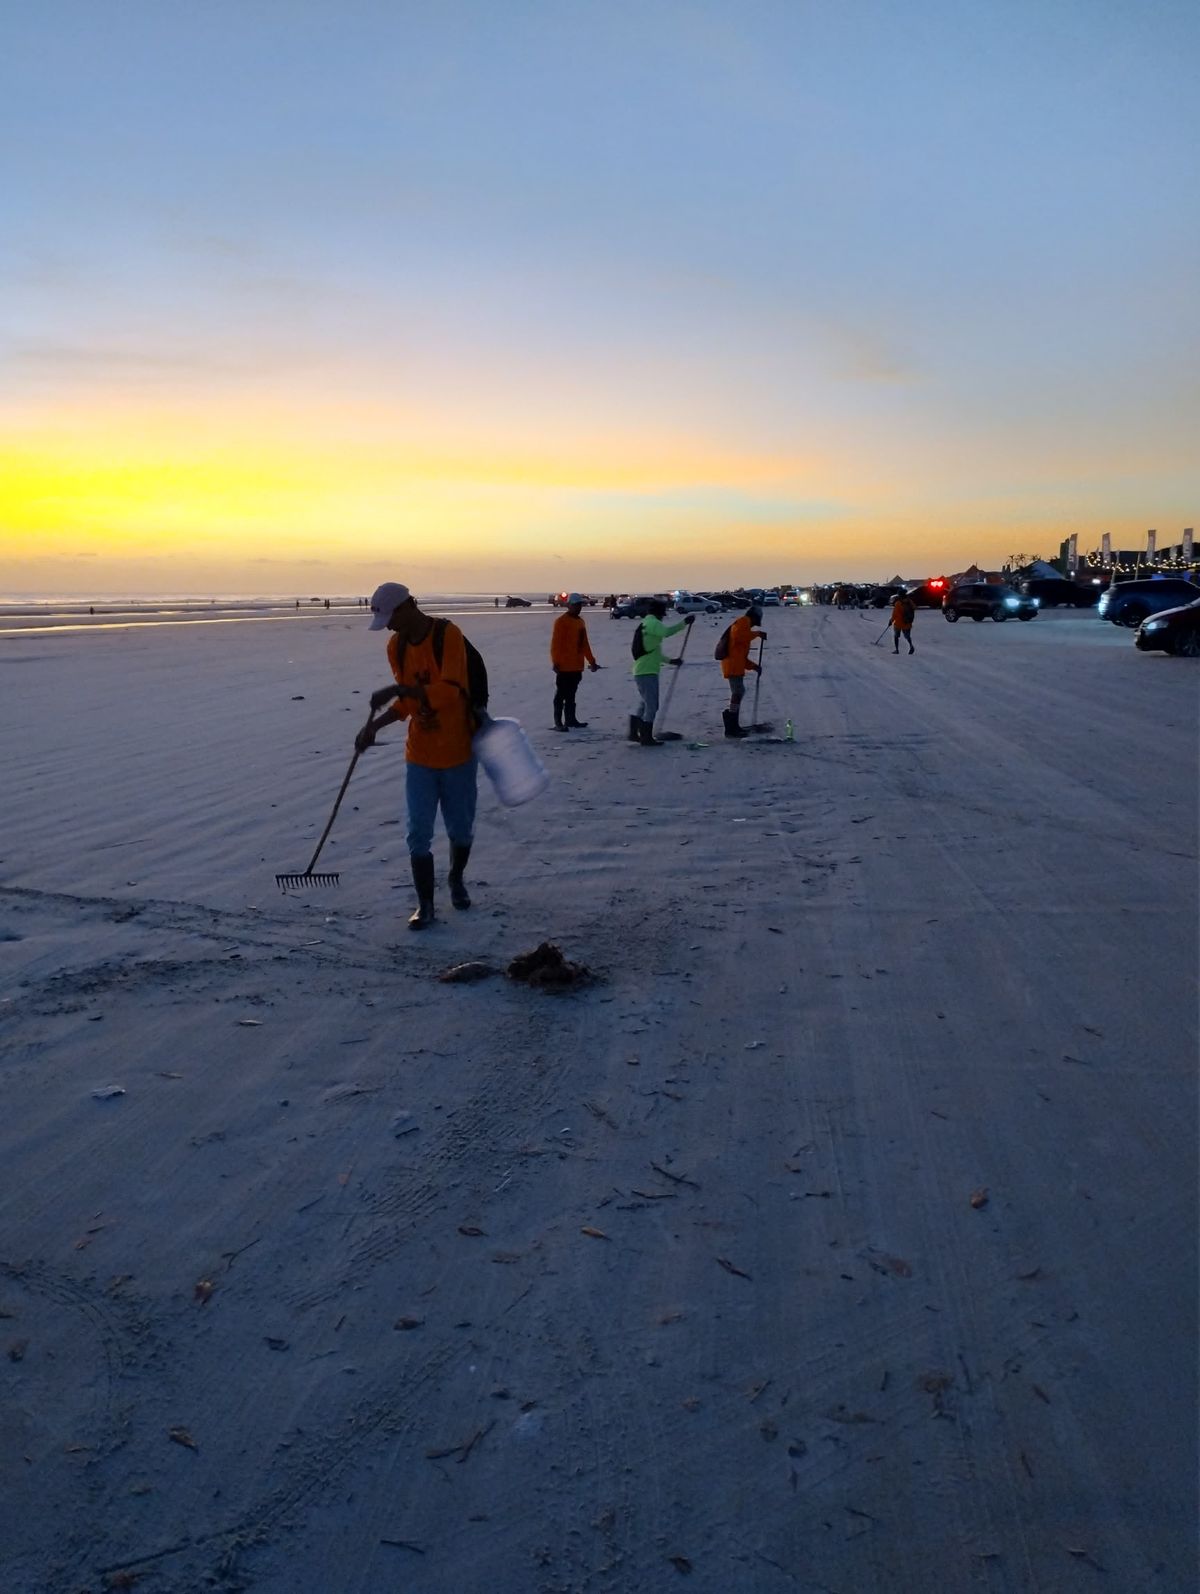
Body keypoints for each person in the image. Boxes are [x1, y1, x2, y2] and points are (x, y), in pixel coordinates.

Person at [353, 582, 486, 930]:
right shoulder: (395, 647)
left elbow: (452, 690)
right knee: (418, 833)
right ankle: (425, 905)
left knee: (460, 829)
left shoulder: (447, 635)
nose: (390, 627)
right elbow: (411, 702)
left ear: (406, 607)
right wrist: (375, 726)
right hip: (420, 756)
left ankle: (455, 878)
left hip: (458, 751)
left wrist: (401, 689)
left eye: (391, 618)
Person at [630, 600, 693, 747]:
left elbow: (653, 653)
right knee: (652, 705)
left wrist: (671, 661)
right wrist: (684, 623)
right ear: (659, 613)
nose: (664, 617)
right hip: (647, 671)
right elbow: (667, 632)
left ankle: (634, 732)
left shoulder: (646, 623)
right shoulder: (653, 623)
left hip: (643, 669)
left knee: (645, 703)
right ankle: (646, 737)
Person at [550, 593, 599, 730]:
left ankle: (571, 720)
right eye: (576, 605)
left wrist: (592, 661)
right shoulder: (561, 622)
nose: (578, 608)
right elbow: (556, 644)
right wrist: (555, 662)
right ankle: (558, 722)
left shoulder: (580, 622)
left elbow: (584, 644)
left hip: (577, 666)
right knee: (561, 695)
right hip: (564, 666)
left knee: (571, 695)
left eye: (580, 605)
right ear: (569, 605)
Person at [718, 605, 766, 738]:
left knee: (738, 693)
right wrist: (757, 634)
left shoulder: (745, 625)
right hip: (732, 666)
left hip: (736, 666)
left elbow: (741, 656)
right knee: (737, 693)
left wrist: (754, 666)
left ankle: (733, 724)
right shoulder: (743, 622)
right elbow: (739, 636)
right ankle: (731, 726)